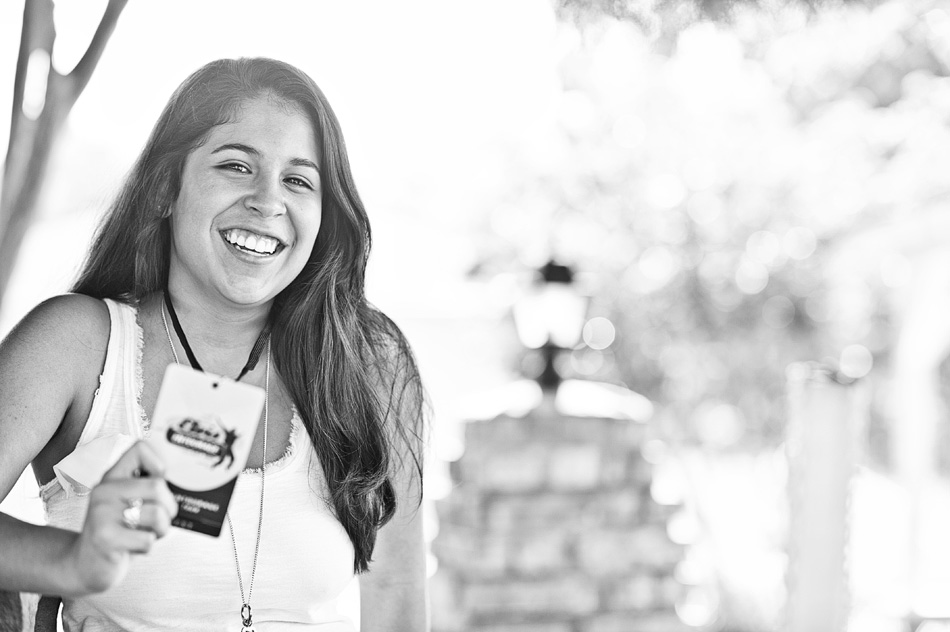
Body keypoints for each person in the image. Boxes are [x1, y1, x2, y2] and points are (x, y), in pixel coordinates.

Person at [0, 57, 428, 631]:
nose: (268, 201)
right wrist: (74, 560)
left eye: (298, 180)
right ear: (165, 189)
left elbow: (396, 591)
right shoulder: (77, 344)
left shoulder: (370, 364)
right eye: (236, 166)